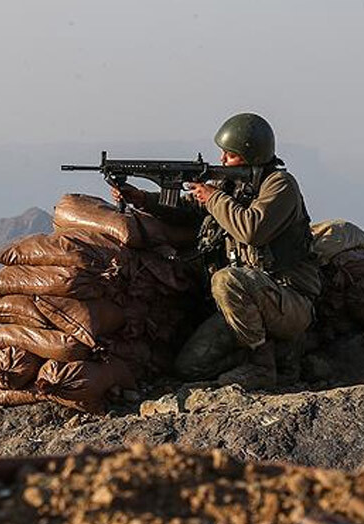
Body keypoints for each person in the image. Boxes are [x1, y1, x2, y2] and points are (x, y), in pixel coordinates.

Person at [110, 113, 320, 388]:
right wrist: (144, 199)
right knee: (190, 366)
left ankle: (262, 367)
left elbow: (251, 229)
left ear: (251, 155)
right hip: (243, 304)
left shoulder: (280, 186)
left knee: (226, 279)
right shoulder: (230, 185)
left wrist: (213, 197)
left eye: (230, 155)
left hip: (288, 300)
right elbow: (189, 210)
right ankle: (277, 356)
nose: (222, 160)